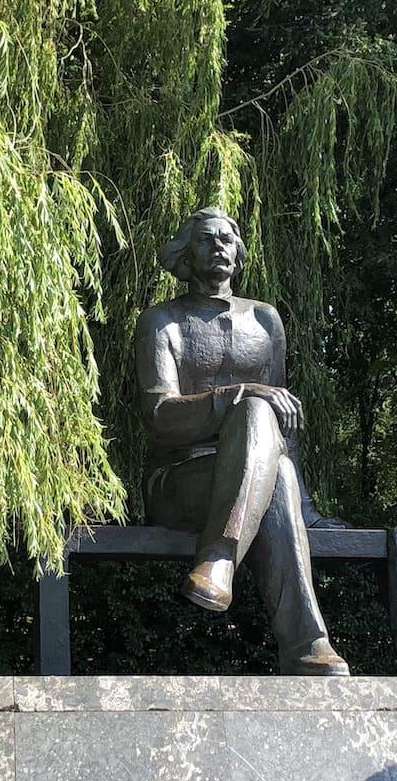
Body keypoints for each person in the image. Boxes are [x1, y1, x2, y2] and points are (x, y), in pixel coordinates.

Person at [133, 208, 348, 676]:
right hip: (179, 480)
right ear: (185, 254)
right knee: (254, 408)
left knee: (279, 464)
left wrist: (306, 509)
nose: (221, 247)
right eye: (208, 240)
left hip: (261, 479)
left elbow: (283, 430)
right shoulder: (160, 323)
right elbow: (160, 419)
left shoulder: (266, 322)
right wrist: (238, 395)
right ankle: (302, 636)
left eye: (229, 239)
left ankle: (231, 572)